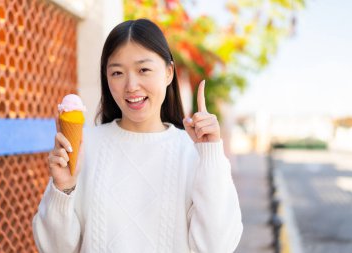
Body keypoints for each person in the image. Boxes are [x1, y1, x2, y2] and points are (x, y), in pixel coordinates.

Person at [32, 18, 243, 253]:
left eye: (143, 69)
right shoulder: (85, 146)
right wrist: (63, 188)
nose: (131, 85)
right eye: (117, 73)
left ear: (168, 73)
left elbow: (216, 247)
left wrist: (211, 154)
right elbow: (53, 249)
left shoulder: (193, 152)